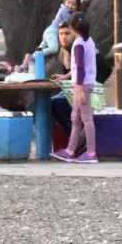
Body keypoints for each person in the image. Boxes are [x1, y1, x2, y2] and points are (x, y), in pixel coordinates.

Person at [51, 13, 98, 163]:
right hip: (86, 82)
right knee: (76, 119)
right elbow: (80, 66)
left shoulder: (78, 44)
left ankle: (91, 153)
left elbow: (81, 68)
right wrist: (66, 76)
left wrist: (78, 91)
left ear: (71, 27)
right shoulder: (88, 41)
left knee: (86, 119)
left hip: (82, 85)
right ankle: (70, 150)